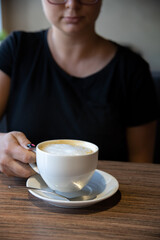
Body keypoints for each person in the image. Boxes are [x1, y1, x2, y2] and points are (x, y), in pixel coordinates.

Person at [0, 0, 159, 178]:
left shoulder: (133, 69)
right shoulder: (15, 49)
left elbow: (142, 165)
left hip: (105, 198)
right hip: (23, 193)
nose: (72, 5)